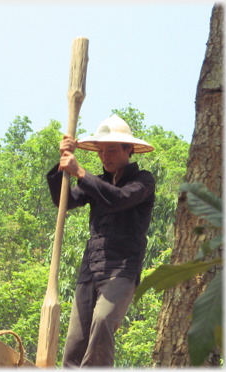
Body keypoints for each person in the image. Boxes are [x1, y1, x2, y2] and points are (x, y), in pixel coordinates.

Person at [46, 114, 155, 367]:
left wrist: (81, 172)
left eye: (112, 150)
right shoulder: (97, 182)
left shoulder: (144, 180)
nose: (105, 156)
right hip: (90, 270)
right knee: (75, 341)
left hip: (121, 270)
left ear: (129, 150)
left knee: (104, 321)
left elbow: (118, 199)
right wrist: (61, 163)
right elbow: (63, 201)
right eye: (101, 150)